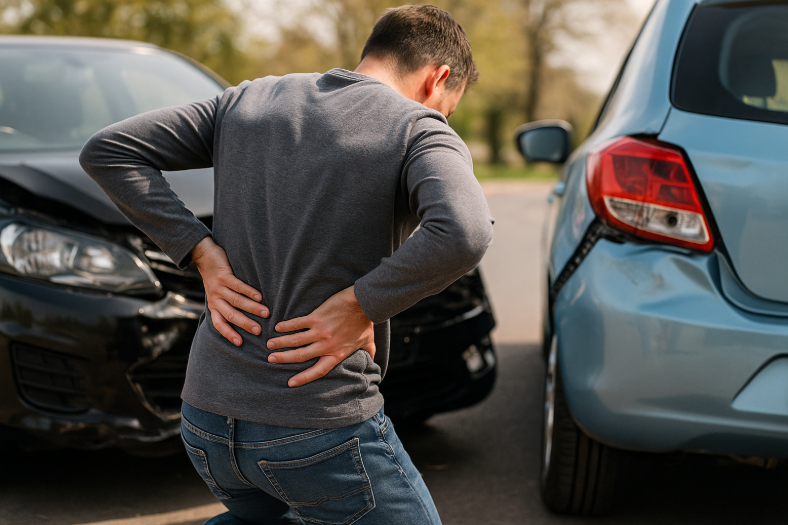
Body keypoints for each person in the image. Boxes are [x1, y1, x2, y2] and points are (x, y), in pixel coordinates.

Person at [80, 4, 493, 524]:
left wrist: (200, 251)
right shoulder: (416, 128)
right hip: (317, 428)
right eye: (448, 107)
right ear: (439, 78)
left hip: (206, 420)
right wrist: (358, 305)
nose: (443, 117)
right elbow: (465, 230)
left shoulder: (247, 99)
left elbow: (108, 150)